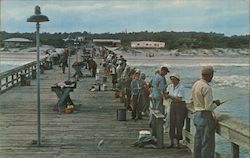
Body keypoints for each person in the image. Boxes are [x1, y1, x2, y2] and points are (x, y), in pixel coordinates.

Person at [189, 66, 221, 158]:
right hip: (205, 117)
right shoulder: (207, 87)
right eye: (212, 74)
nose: (212, 77)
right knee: (207, 145)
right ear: (209, 75)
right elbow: (208, 107)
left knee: (198, 143)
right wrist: (216, 103)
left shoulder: (196, 84)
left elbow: (190, 101)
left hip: (197, 116)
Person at [163, 73, 186, 148]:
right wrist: (164, 95)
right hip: (172, 105)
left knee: (179, 124)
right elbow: (167, 97)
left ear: (177, 80)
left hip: (180, 106)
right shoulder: (169, 86)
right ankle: (171, 142)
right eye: (171, 79)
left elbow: (179, 99)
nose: (172, 80)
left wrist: (169, 96)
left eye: (174, 79)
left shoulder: (181, 87)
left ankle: (178, 143)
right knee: (171, 124)